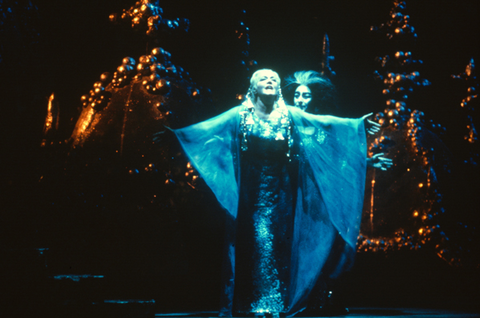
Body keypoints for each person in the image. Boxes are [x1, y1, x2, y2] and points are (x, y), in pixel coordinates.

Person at [172, 69, 378, 317]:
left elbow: (326, 123)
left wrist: (357, 125)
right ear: (253, 87)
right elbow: (208, 129)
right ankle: (252, 302)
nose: (269, 81)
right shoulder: (240, 114)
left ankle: (275, 301)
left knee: (280, 243)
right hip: (250, 197)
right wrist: (177, 136)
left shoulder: (289, 114)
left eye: (274, 79)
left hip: (282, 196)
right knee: (253, 242)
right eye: (263, 78)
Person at [285, 70, 392, 171]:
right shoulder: (286, 123)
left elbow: (338, 160)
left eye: (306, 96)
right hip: (288, 184)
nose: (299, 100)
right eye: (296, 95)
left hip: (314, 185)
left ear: (316, 100)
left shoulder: (323, 131)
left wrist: (367, 162)